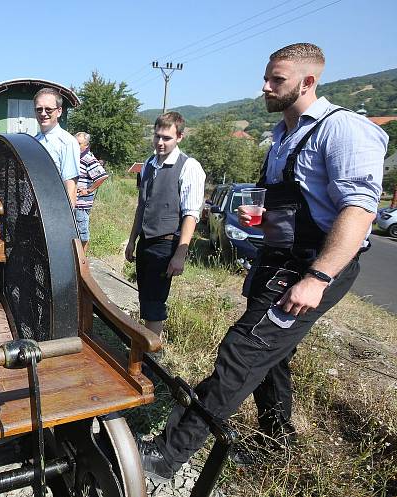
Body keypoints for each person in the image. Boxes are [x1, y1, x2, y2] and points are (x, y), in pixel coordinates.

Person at [139, 43, 387, 482]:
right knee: (271, 356)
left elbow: (359, 212)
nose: (265, 87)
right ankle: (278, 444)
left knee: (242, 350)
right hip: (276, 261)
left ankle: (166, 454)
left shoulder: (342, 129)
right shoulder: (281, 135)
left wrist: (317, 278)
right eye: (266, 77)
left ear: (308, 82)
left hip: (314, 267)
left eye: (277, 80)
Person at [125, 112, 205, 336]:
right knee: (145, 297)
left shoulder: (189, 167)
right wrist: (132, 240)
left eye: (167, 138)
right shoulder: (149, 163)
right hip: (145, 241)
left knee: (154, 303)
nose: (160, 142)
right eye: (157, 136)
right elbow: (142, 206)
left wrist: (181, 253)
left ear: (179, 137)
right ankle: (145, 347)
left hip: (166, 243)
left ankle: (152, 354)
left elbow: (191, 214)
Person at [33, 88, 79, 206]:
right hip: (30, 209)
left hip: (53, 210)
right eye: (39, 109)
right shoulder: (33, 140)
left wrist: (66, 221)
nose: (43, 113)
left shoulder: (67, 142)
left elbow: (71, 187)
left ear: (59, 111)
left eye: (48, 109)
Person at [74, 132, 109, 251]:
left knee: (82, 234)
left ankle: (82, 262)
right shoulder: (76, 157)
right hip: (74, 202)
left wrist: (88, 190)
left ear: (86, 145)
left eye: (79, 144)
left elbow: (102, 176)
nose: (76, 146)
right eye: (75, 143)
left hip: (82, 204)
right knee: (75, 233)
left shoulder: (88, 158)